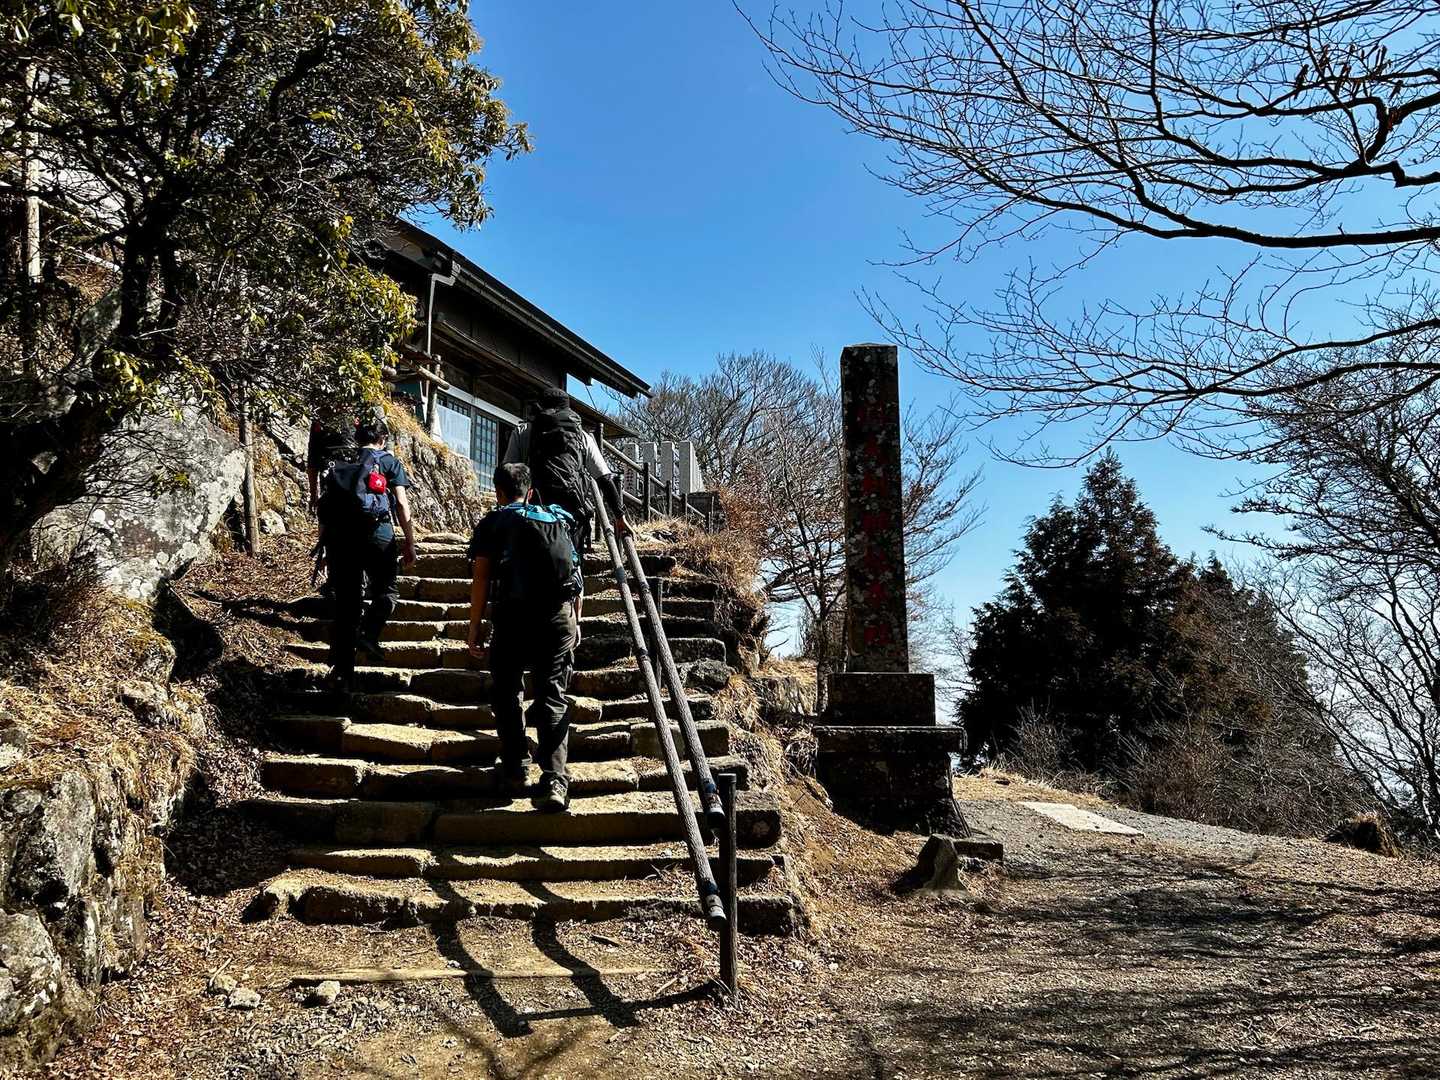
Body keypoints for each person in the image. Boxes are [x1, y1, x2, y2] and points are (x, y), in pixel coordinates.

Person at [467, 462, 584, 813]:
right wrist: (576, 620)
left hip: (512, 616)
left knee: (506, 689)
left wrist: (475, 626)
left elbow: (481, 578)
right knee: (552, 693)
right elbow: (575, 574)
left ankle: (515, 765)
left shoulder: (493, 522)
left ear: (498, 492)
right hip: (558, 616)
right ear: (530, 491)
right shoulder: (557, 518)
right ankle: (555, 779)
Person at [318, 411, 417, 687]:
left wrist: (323, 547)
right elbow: (401, 504)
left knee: (347, 604)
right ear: (382, 439)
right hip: (378, 534)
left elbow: (325, 508)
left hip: (340, 538)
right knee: (387, 590)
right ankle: (369, 634)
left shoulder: (341, 461)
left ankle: (341, 674)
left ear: (358, 438)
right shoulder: (388, 461)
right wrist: (409, 542)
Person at [502, 386, 631, 551]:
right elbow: (605, 478)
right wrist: (620, 517)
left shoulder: (522, 431)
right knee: (570, 559)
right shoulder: (582, 437)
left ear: (540, 406)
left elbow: (507, 473)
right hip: (572, 514)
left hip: (532, 513)